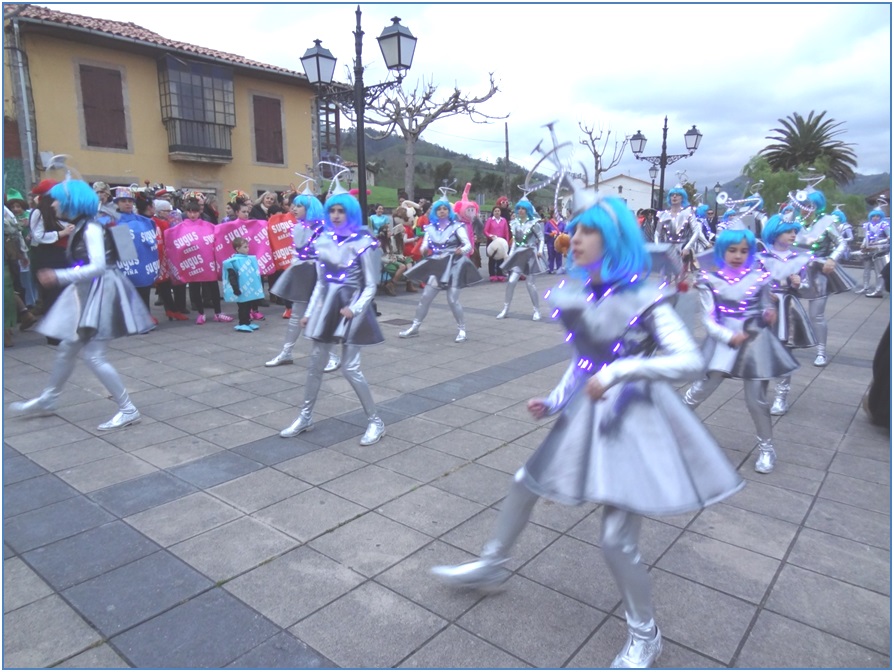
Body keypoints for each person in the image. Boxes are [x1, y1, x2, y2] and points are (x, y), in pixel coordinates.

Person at [431, 190, 743, 670]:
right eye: (573, 229)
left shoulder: (647, 297)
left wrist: (621, 373)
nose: (573, 238)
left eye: (586, 231)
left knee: (616, 540)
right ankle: (492, 565)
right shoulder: (580, 295)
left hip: (635, 421)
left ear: (613, 239)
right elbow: (584, 361)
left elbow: (688, 361)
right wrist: (556, 399)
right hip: (586, 414)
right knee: (524, 483)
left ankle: (646, 634)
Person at [10, 178, 154, 430]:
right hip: (91, 293)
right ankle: (49, 399)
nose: (52, 205)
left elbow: (98, 267)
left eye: (57, 200)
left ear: (71, 204)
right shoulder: (84, 226)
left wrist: (59, 276)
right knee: (68, 347)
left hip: (101, 292)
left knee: (93, 355)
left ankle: (128, 408)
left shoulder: (90, 228)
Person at [682, 225, 798, 474]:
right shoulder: (709, 281)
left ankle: (767, 448)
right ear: (722, 251)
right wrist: (728, 336)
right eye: (732, 250)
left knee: (756, 400)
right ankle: (670, 431)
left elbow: (767, 303)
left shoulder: (759, 277)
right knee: (700, 389)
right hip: (723, 342)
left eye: (744, 251)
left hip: (755, 341)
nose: (738, 255)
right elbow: (709, 319)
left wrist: (769, 311)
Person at [280, 186, 386, 446]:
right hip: (328, 307)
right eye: (332, 211)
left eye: (341, 211)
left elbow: (371, 286)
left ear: (351, 213)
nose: (336, 215)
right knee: (315, 365)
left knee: (350, 369)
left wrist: (355, 309)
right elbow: (320, 282)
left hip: (353, 308)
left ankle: (375, 421)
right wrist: (311, 311)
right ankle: (305, 417)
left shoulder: (364, 242)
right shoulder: (322, 240)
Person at [266, 191, 341, 372]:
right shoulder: (298, 227)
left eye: (299, 206)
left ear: (310, 208)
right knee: (296, 315)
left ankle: (333, 356)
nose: (294, 208)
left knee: (321, 316)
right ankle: (286, 352)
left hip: (320, 276)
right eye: (294, 205)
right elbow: (296, 252)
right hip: (303, 273)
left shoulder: (324, 228)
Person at [399, 192, 481, 342]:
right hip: (437, 265)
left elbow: (468, 245)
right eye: (439, 209)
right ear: (435, 212)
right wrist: (423, 249)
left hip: (454, 265)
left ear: (449, 212)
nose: (442, 211)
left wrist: (461, 250)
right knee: (425, 297)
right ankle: (415, 327)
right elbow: (425, 245)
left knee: (452, 300)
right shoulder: (430, 229)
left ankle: (462, 329)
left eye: (445, 208)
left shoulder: (457, 226)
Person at [758, 215, 817, 415]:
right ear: (775, 233)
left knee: (785, 353)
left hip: (789, 310)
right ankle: (760, 392)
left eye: (794, 231)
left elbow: (809, 287)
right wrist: (764, 292)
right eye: (788, 231)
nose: (793, 235)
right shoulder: (762, 257)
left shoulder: (798, 258)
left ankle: (781, 397)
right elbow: (750, 284)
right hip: (765, 310)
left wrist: (799, 283)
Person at [793, 188, 856, 366]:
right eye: (801, 205)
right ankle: (790, 342)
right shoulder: (796, 222)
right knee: (788, 309)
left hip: (818, 272)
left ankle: (821, 351)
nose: (803, 208)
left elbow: (841, 242)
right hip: (795, 272)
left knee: (816, 315)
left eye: (807, 205)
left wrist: (831, 258)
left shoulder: (827, 222)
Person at [496, 197, 547, 320]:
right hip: (519, 254)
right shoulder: (515, 224)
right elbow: (515, 241)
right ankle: (505, 308)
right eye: (519, 208)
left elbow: (541, 238)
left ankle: (536, 310)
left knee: (530, 284)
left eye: (523, 209)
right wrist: (510, 254)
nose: (521, 211)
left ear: (528, 210)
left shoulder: (533, 224)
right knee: (511, 281)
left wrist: (540, 251)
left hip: (530, 253)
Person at [222, 237, 265, 333]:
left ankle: (247, 322)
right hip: (240, 290)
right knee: (243, 307)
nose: (247, 249)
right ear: (237, 249)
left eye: (248, 246)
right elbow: (232, 276)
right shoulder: (233, 262)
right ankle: (242, 323)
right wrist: (235, 288)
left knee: (248, 306)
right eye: (245, 247)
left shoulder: (249, 259)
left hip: (248, 290)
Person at [857, 208, 890, 297]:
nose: (875, 218)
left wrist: (878, 242)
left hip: (879, 250)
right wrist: (863, 245)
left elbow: (889, 237)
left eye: (877, 216)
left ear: (881, 217)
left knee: (879, 271)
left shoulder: (884, 225)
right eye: (873, 216)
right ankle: (865, 287)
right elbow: (865, 237)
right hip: (868, 250)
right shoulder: (867, 225)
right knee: (866, 270)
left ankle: (878, 290)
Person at [484, 205, 510, 281]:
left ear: (500, 212)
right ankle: (492, 274)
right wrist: (490, 236)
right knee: (492, 258)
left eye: (498, 211)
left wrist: (507, 241)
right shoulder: (490, 220)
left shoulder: (504, 220)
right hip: (492, 241)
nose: (497, 212)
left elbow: (506, 231)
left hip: (501, 241)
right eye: (495, 211)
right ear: (493, 212)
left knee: (501, 258)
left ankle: (500, 274)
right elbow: (485, 231)